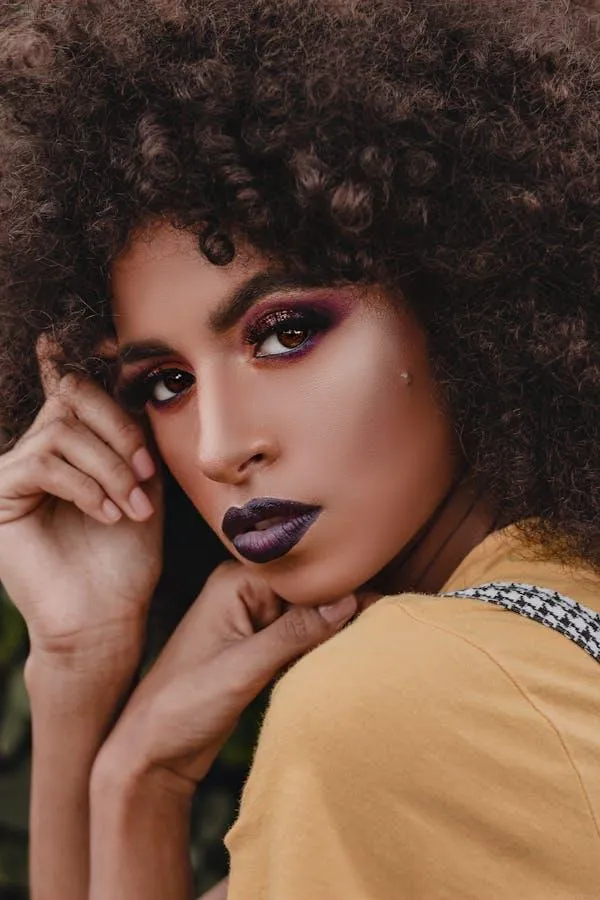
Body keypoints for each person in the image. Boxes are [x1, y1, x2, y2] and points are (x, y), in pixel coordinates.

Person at [0, 0, 599, 898]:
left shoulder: (404, 701)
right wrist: (98, 707)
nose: (217, 449)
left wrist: (135, 774)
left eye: (283, 334)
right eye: (165, 382)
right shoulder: (537, 639)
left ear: (461, 297)